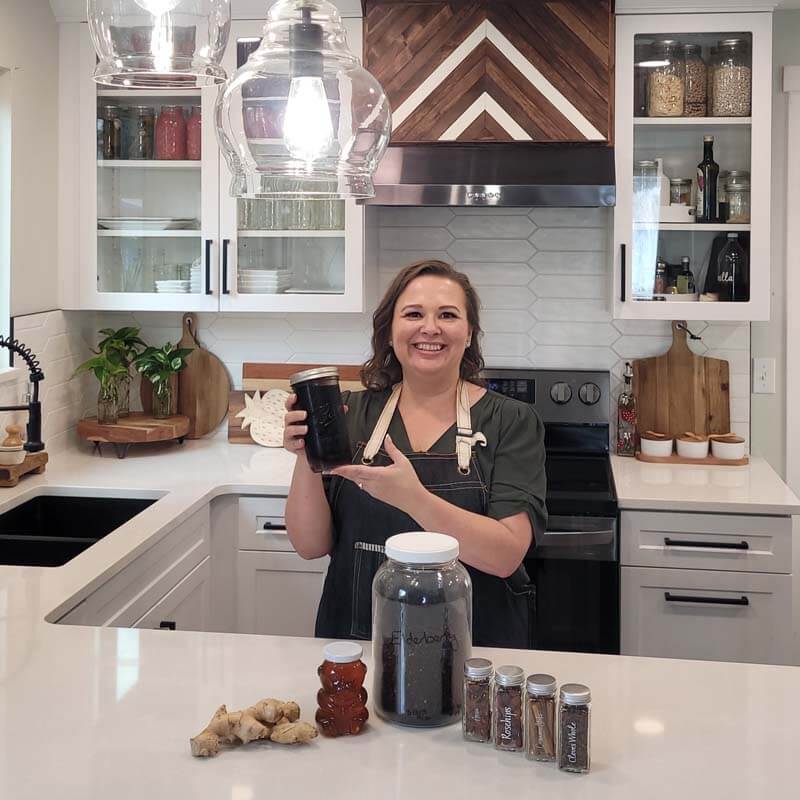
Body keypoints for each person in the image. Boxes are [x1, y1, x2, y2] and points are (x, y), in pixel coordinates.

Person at [283, 259, 547, 648]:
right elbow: (309, 545)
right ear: (390, 331)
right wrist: (307, 457)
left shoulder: (511, 420)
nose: (430, 328)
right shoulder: (348, 413)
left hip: (474, 657)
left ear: (469, 333)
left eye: (447, 315)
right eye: (413, 314)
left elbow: (505, 555)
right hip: (362, 650)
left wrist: (414, 499)